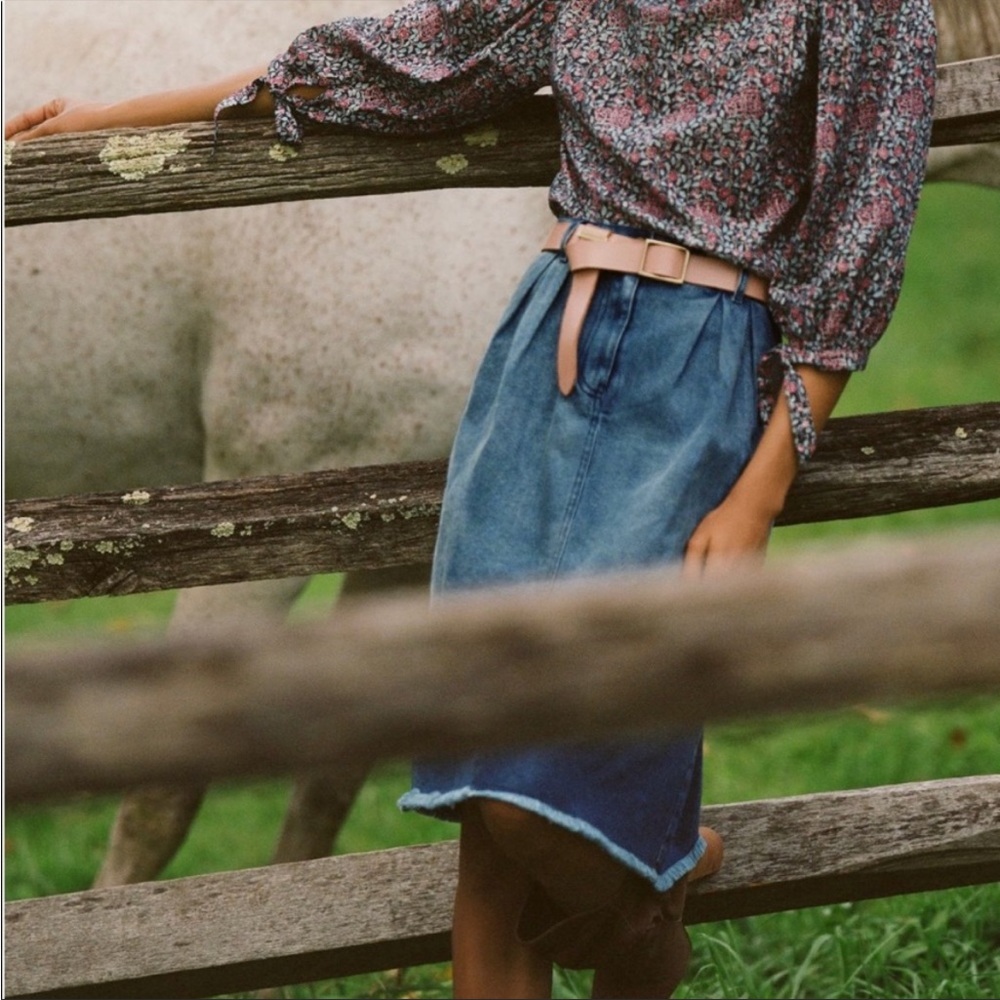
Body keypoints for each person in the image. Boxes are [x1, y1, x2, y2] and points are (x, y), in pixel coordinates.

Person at [7, 2, 937, 997]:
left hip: (700, 373)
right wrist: (112, 116)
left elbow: (859, 236)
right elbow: (404, 61)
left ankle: (644, 890)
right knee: (485, 819)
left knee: (553, 796)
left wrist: (761, 489)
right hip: (539, 357)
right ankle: (649, 875)